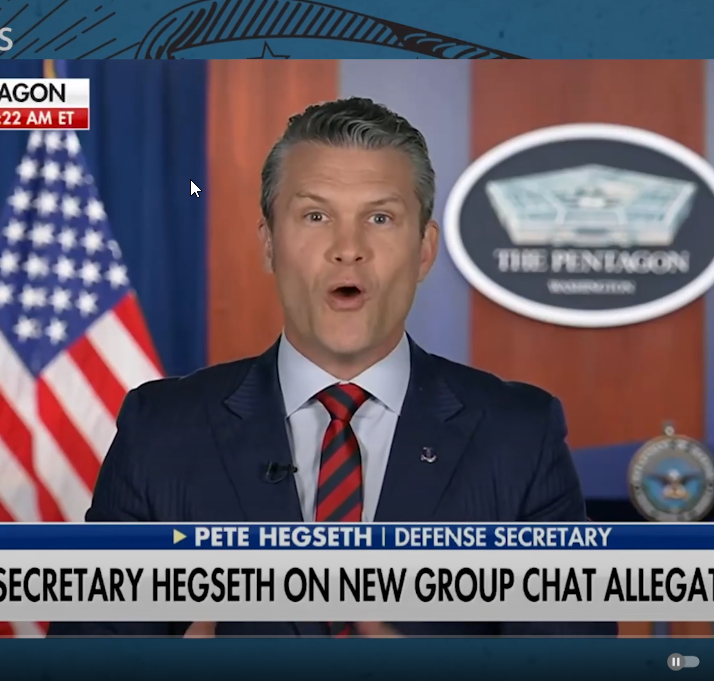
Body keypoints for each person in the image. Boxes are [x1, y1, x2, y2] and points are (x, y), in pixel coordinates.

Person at [48, 97, 616, 638]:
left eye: (381, 218)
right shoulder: (161, 430)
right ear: (269, 243)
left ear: (424, 249)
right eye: (316, 215)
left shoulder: (520, 437)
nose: (348, 248)